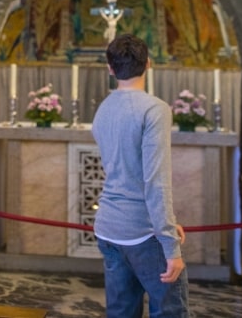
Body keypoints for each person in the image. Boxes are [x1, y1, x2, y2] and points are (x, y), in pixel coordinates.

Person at [92, 34, 190, 317]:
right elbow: (155, 182)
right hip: (143, 232)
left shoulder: (104, 109)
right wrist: (169, 242)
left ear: (110, 68)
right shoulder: (154, 109)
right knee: (171, 312)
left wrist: (168, 225)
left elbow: (123, 172)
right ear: (149, 64)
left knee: (121, 313)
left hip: (108, 227)